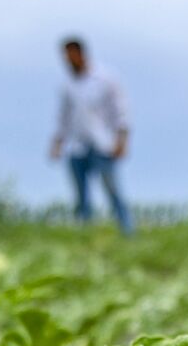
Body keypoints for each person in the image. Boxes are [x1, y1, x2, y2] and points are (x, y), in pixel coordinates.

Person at [49, 37, 133, 234]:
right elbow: (64, 118)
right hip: (77, 145)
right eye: (65, 56)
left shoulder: (105, 78)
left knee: (112, 191)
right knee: (81, 195)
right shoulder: (68, 85)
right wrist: (58, 143)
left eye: (70, 55)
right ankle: (85, 234)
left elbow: (121, 110)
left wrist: (122, 140)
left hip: (103, 144)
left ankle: (127, 232)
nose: (67, 60)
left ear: (80, 53)